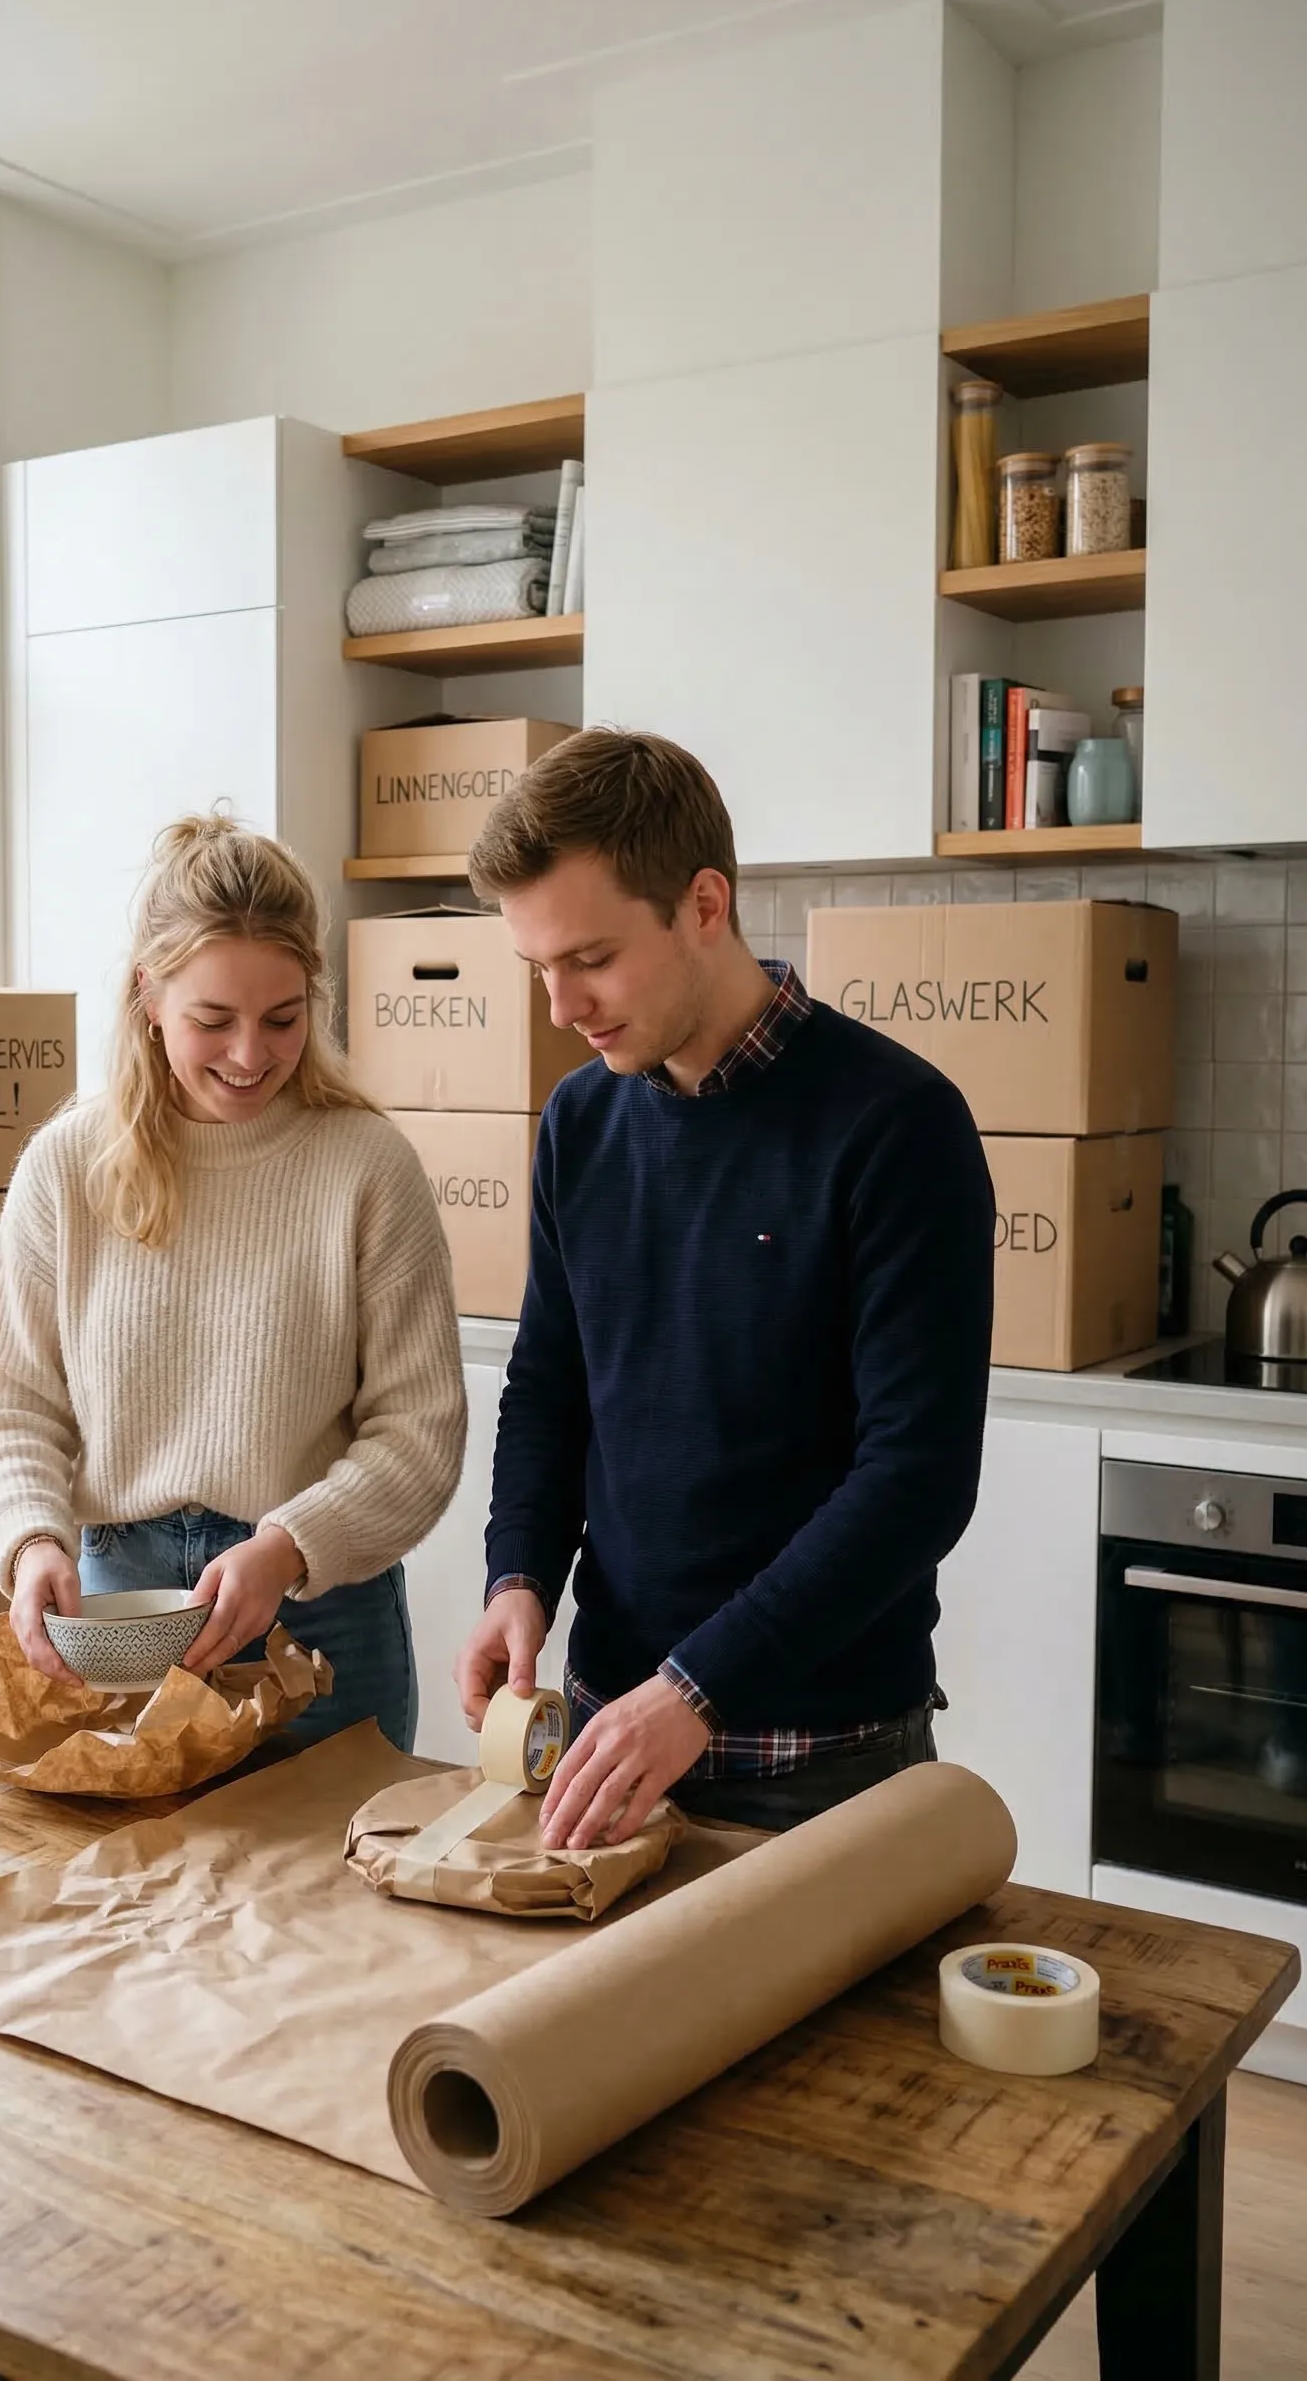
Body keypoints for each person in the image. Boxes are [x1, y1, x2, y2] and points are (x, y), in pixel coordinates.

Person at [452, 729, 995, 1842]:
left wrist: (696, 1691)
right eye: (538, 967)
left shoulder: (897, 1125)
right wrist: (518, 1577)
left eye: (591, 958)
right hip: (606, 1736)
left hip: (820, 1766)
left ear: (704, 903)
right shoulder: (580, 1121)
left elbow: (917, 1481)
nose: (561, 1006)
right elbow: (549, 1387)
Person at [0, 813, 467, 1751]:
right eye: (213, 1020)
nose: (249, 1054)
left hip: (320, 1612)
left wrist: (289, 1546)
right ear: (148, 997)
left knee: (338, 1855)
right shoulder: (67, 1167)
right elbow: (5, 1406)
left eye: (283, 1019)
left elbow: (420, 1431)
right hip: (121, 1605)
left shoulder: (367, 1168)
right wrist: (29, 1541)